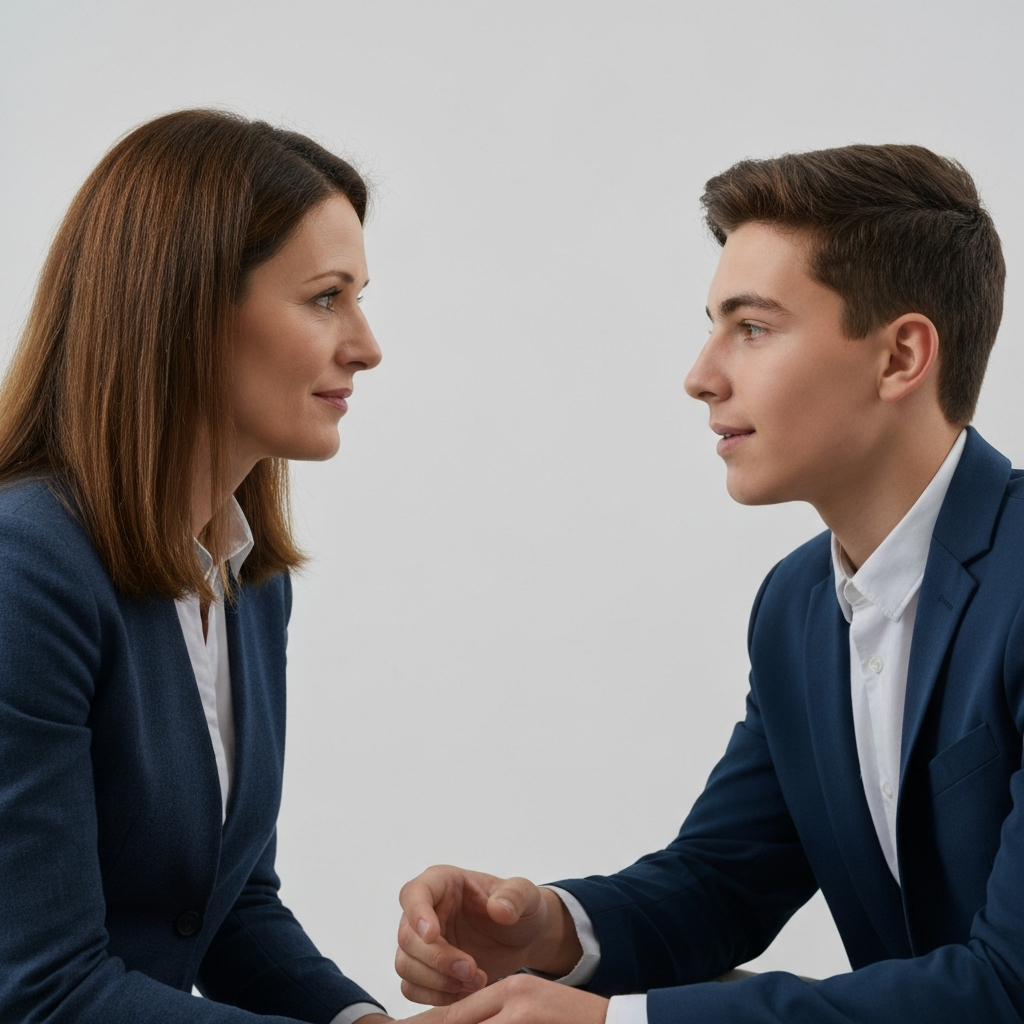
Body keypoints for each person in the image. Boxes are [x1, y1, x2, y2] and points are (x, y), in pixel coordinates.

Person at [393, 145, 1024, 1023]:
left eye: (753, 327)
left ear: (901, 357)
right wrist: (550, 932)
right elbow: (727, 880)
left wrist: (618, 1023)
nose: (701, 376)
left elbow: (1010, 984)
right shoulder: (798, 604)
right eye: (713, 325)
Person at [0, 109, 391, 1023]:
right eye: (327, 297)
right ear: (184, 308)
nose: (367, 346)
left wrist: (363, 1021)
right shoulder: (25, 571)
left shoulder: (250, 580)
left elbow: (225, 908)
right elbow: (42, 992)